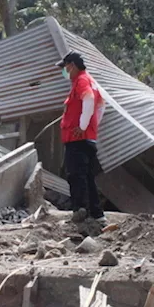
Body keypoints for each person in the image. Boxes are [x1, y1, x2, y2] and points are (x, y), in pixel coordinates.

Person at [58, 51, 105, 223]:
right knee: (87, 176)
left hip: (77, 139)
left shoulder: (82, 81)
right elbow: (100, 107)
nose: (65, 71)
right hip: (87, 138)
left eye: (66, 68)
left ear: (72, 66)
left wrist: (82, 126)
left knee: (76, 175)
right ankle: (96, 214)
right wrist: (91, 127)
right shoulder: (91, 81)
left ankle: (81, 212)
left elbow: (90, 99)